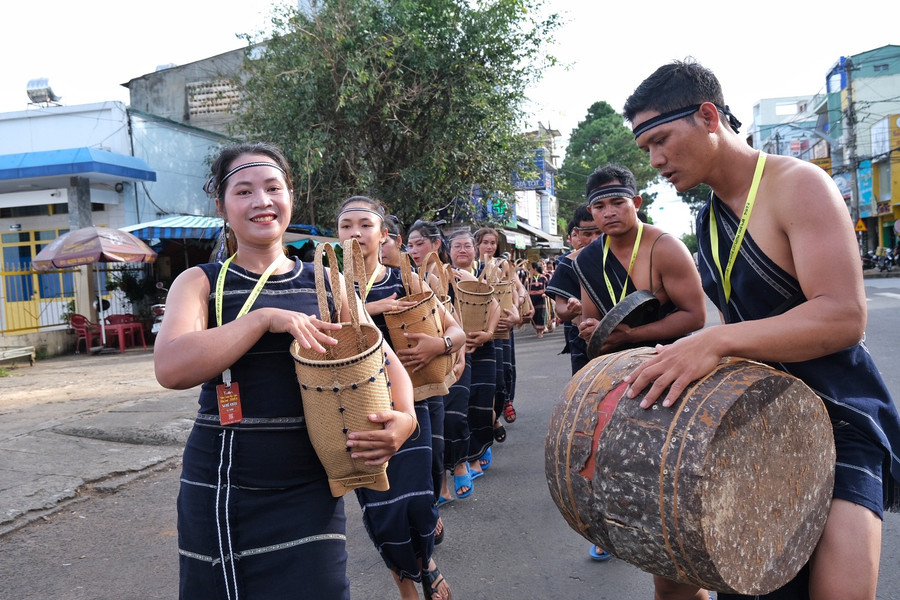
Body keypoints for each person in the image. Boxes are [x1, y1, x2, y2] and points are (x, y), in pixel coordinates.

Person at [622, 58, 900, 600]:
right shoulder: (707, 220)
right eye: (645, 150)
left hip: (837, 415)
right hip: (755, 418)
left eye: (660, 140)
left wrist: (717, 340)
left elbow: (843, 315)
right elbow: (744, 321)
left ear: (707, 116)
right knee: (690, 577)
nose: (655, 161)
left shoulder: (800, 185)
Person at [155, 142, 417, 599]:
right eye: (244, 191)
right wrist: (262, 319)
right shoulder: (200, 282)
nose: (261, 201)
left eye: (273, 188)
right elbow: (171, 366)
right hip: (223, 486)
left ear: (290, 197)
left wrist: (406, 418)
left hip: (309, 486)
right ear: (221, 205)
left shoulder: (326, 281)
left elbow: (385, 362)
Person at [337, 196, 463, 600]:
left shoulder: (405, 280)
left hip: (414, 404)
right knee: (383, 510)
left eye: (365, 224)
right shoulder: (330, 286)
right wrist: (373, 307)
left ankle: (425, 560)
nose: (355, 233)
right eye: (345, 226)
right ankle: (410, 586)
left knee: (417, 500)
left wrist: (436, 345)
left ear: (383, 235)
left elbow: (456, 332)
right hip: (358, 409)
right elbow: (328, 328)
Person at [574, 164, 707, 357]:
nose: (609, 213)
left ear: (636, 203)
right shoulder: (587, 259)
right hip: (617, 363)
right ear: (591, 210)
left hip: (669, 357)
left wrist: (630, 335)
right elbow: (591, 320)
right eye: (599, 206)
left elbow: (695, 316)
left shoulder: (666, 248)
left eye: (618, 202)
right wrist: (590, 329)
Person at [546, 203, 602, 375]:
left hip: (623, 336)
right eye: (587, 234)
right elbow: (560, 308)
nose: (593, 239)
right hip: (582, 336)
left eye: (598, 233)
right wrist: (573, 309)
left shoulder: (625, 258)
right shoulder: (568, 263)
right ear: (576, 234)